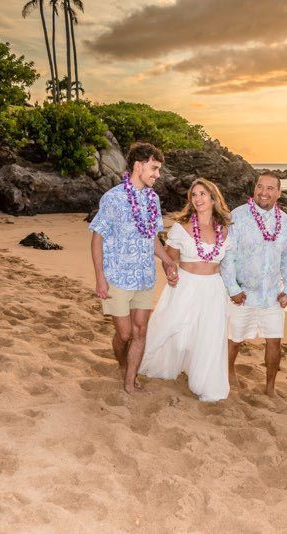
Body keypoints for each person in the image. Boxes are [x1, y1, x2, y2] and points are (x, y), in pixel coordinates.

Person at [89, 142, 178, 395]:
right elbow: (97, 239)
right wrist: (100, 278)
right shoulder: (113, 198)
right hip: (117, 277)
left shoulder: (153, 199)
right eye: (154, 168)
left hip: (145, 277)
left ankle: (130, 379)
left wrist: (167, 261)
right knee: (125, 334)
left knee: (141, 331)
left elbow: (152, 238)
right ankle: (122, 364)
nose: (158, 174)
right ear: (139, 166)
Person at [138, 178, 232, 402]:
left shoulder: (225, 231)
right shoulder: (181, 228)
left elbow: (227, 265)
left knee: (209, 336)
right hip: (186, 285)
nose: (197, 198)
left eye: (202, 194)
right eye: (194, 195)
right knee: (174, 332)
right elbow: (169, 259)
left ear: (213, 198)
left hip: (213, 289)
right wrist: (170, 272)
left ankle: (205, 382)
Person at [220, 173, 287, 397]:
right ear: (254, 189)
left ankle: (270, 387)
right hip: (242, 293)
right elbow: (228, 256)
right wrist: (233, 289)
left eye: (270, 188)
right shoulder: (238, 216)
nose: (264, 192)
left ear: (279, 193)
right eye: (260, 187)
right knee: (234, 339)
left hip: (272, 295)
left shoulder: (286, 222)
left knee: (274, 341)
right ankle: (228, 372)